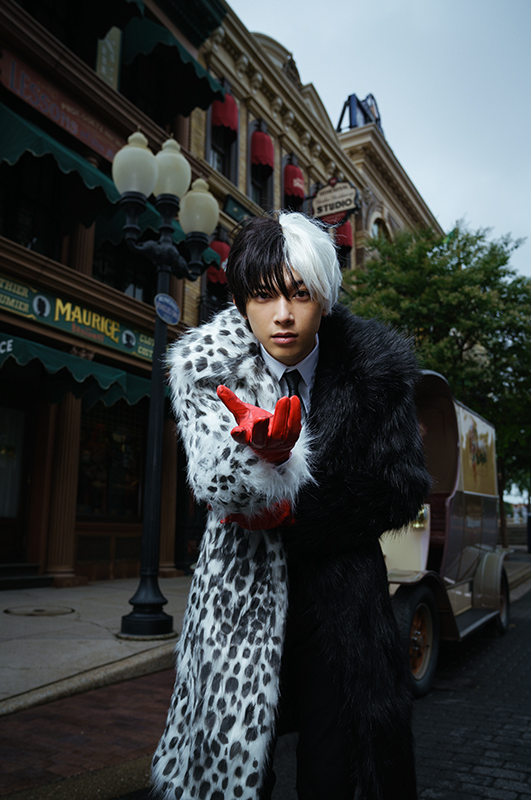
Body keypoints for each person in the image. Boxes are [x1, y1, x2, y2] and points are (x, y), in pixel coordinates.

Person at [152, 212, 431, 800]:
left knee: (335, 769)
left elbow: (402, 485)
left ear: (324, 297)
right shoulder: (207, 367)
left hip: (342, 605)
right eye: (263, 295)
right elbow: (212, 481)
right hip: (239, 602)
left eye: (300, 294)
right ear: (241, 301)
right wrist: (261, 462)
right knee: (235, 770)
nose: (282, 314)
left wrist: (297, 500)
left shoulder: (375, 371)